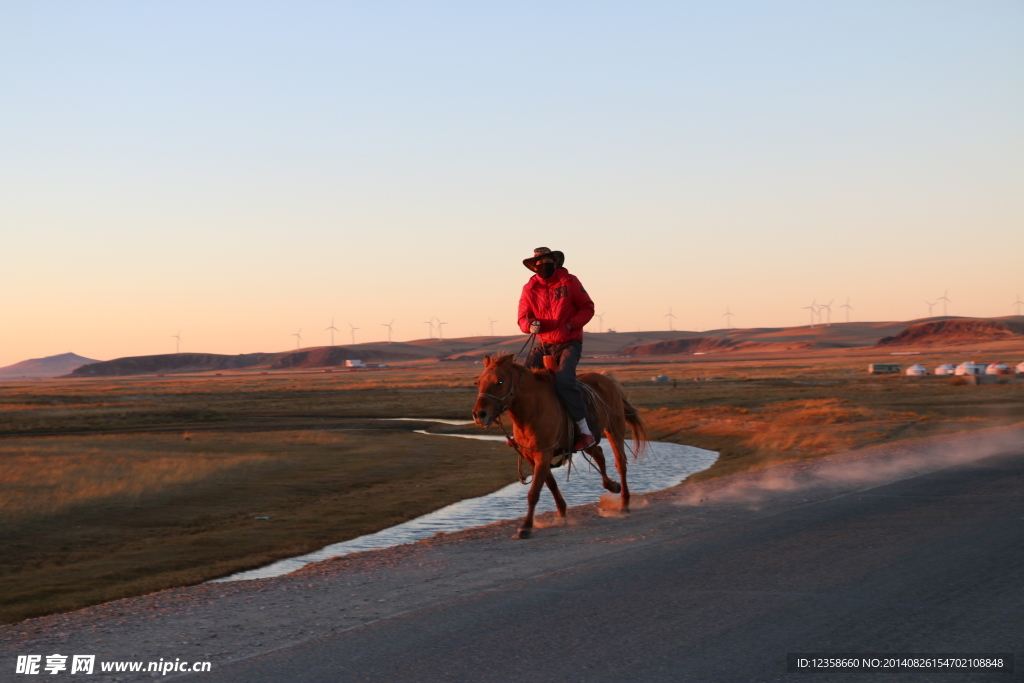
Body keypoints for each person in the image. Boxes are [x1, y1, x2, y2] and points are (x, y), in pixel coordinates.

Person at [518, 247, 596, 450]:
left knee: (564, 382)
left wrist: (570, 325)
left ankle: (585, 431)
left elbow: (587, 307)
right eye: (538, 262)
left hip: (569, 342)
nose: (542, 265)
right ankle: (523, 431)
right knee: (522, 381)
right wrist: (530, 325)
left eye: (546, 261)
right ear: (533, 266)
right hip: (543, 344)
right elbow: (522, 317)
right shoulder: (529, 289)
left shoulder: (569, 281)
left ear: (555, 261)